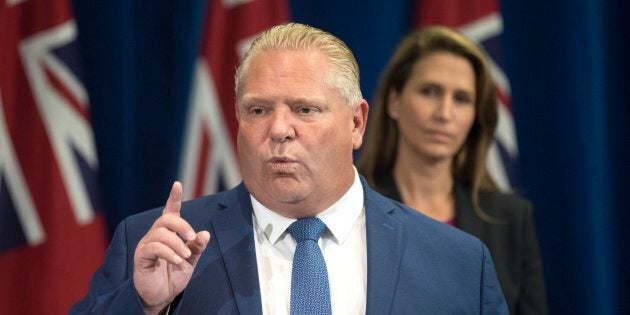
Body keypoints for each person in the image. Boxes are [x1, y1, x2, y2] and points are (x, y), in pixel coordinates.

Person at [72, 23, 508, 314]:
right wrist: (144, 306)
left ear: (356, 123)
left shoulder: (459, 264)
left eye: (304, 109)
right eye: (258, 109)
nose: (280, 129)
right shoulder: (156, 245)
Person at [357, 26, 547, 314]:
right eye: (430, 92)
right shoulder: (352, 208)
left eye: (461, 99)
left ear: (475, 115)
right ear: (395, 102)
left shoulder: (511, 220)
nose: (444, 113)